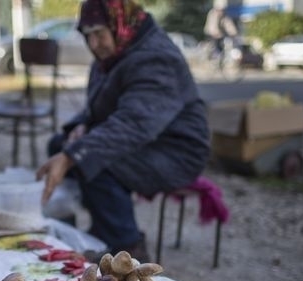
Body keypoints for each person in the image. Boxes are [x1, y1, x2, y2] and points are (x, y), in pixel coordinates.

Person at [36, 0, 210, 262]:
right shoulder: (111, 53)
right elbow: (101, 109)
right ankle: (86, 228)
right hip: (145, 142)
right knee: (59, 146)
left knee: (91, 160)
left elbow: (134, 123)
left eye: (99, 33)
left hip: (175, 151)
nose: (93, 44)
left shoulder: (155, 58)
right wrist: (81, 128)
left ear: (120, 23)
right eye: (87, 35)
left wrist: (75, 154)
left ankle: (127, 248)